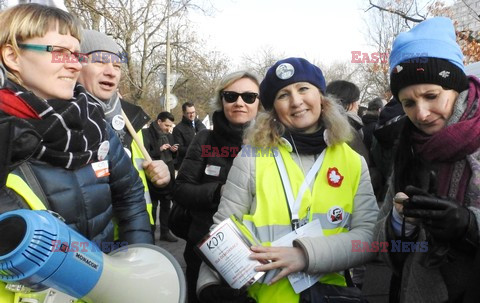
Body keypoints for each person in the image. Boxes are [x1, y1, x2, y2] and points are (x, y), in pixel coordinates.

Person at [0, 4, 153, 300]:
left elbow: (131, 195)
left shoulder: (96, 124)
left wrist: (135, 265)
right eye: (60, 52)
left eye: (77, 54)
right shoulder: (5, 134)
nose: (74, 65)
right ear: (12, 56)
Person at [197, 58, 378, 303]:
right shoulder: (251, 157)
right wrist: (208, 286)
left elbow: (368, 238)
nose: (296, 101)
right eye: (283, 95)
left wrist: (305, 256)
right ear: (273, 109)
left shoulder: (353, 162)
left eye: (304, 89)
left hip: (328, 296)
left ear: (321, 97)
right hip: (263, 297)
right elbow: (222, 230)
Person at [373, 17, 480, 302]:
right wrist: (398, 223)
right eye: (408, 102)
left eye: (432, 96)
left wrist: (470, 225)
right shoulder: (406, 146)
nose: (421, 114)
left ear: (457, 87)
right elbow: (379, 239)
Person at [174, 71, 261, 303]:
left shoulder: (270, 144)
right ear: (221, 100)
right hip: (206, 247)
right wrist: (220, 191)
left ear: (260, 103)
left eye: (249, 97)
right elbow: (181, 189)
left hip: (260, 249)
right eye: (231, 96)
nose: (239, 102)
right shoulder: (204, 139)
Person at [78, 29, 171, 232]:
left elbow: (138, 179)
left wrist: (161, 180)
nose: (111, 71)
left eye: (117, 65)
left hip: (136, 238)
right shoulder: (60, 120)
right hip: (86, 249)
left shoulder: (131, 118)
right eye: (100, 62)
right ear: (75, 65)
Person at [143, 111, 178, 242]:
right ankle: (150, 233)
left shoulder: (169, 135)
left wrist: (174, 151)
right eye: (166, 125)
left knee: (166, 203)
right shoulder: (146, 134)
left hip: (168, 174)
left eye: (170, 126)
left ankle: (165, 231)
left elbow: (173, 158)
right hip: (153, 175)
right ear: (159, 122)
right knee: (153, 205)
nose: (169, 129)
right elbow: (144, 154)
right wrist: (160, 149)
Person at [325, 80, 370, 165]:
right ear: (348, 102)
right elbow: (360, 162)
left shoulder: (327, 124)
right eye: (356, 100)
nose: (358, 105)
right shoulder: (345, 129)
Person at [173, 101, 206, 170]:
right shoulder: (178, 129)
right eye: (189, 113)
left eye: (193, 112)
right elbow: (180, 148)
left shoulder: (200, 125)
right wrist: (195, 150)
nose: (192, 115)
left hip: (202, 162)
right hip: (187, 165)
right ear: (184, 113)